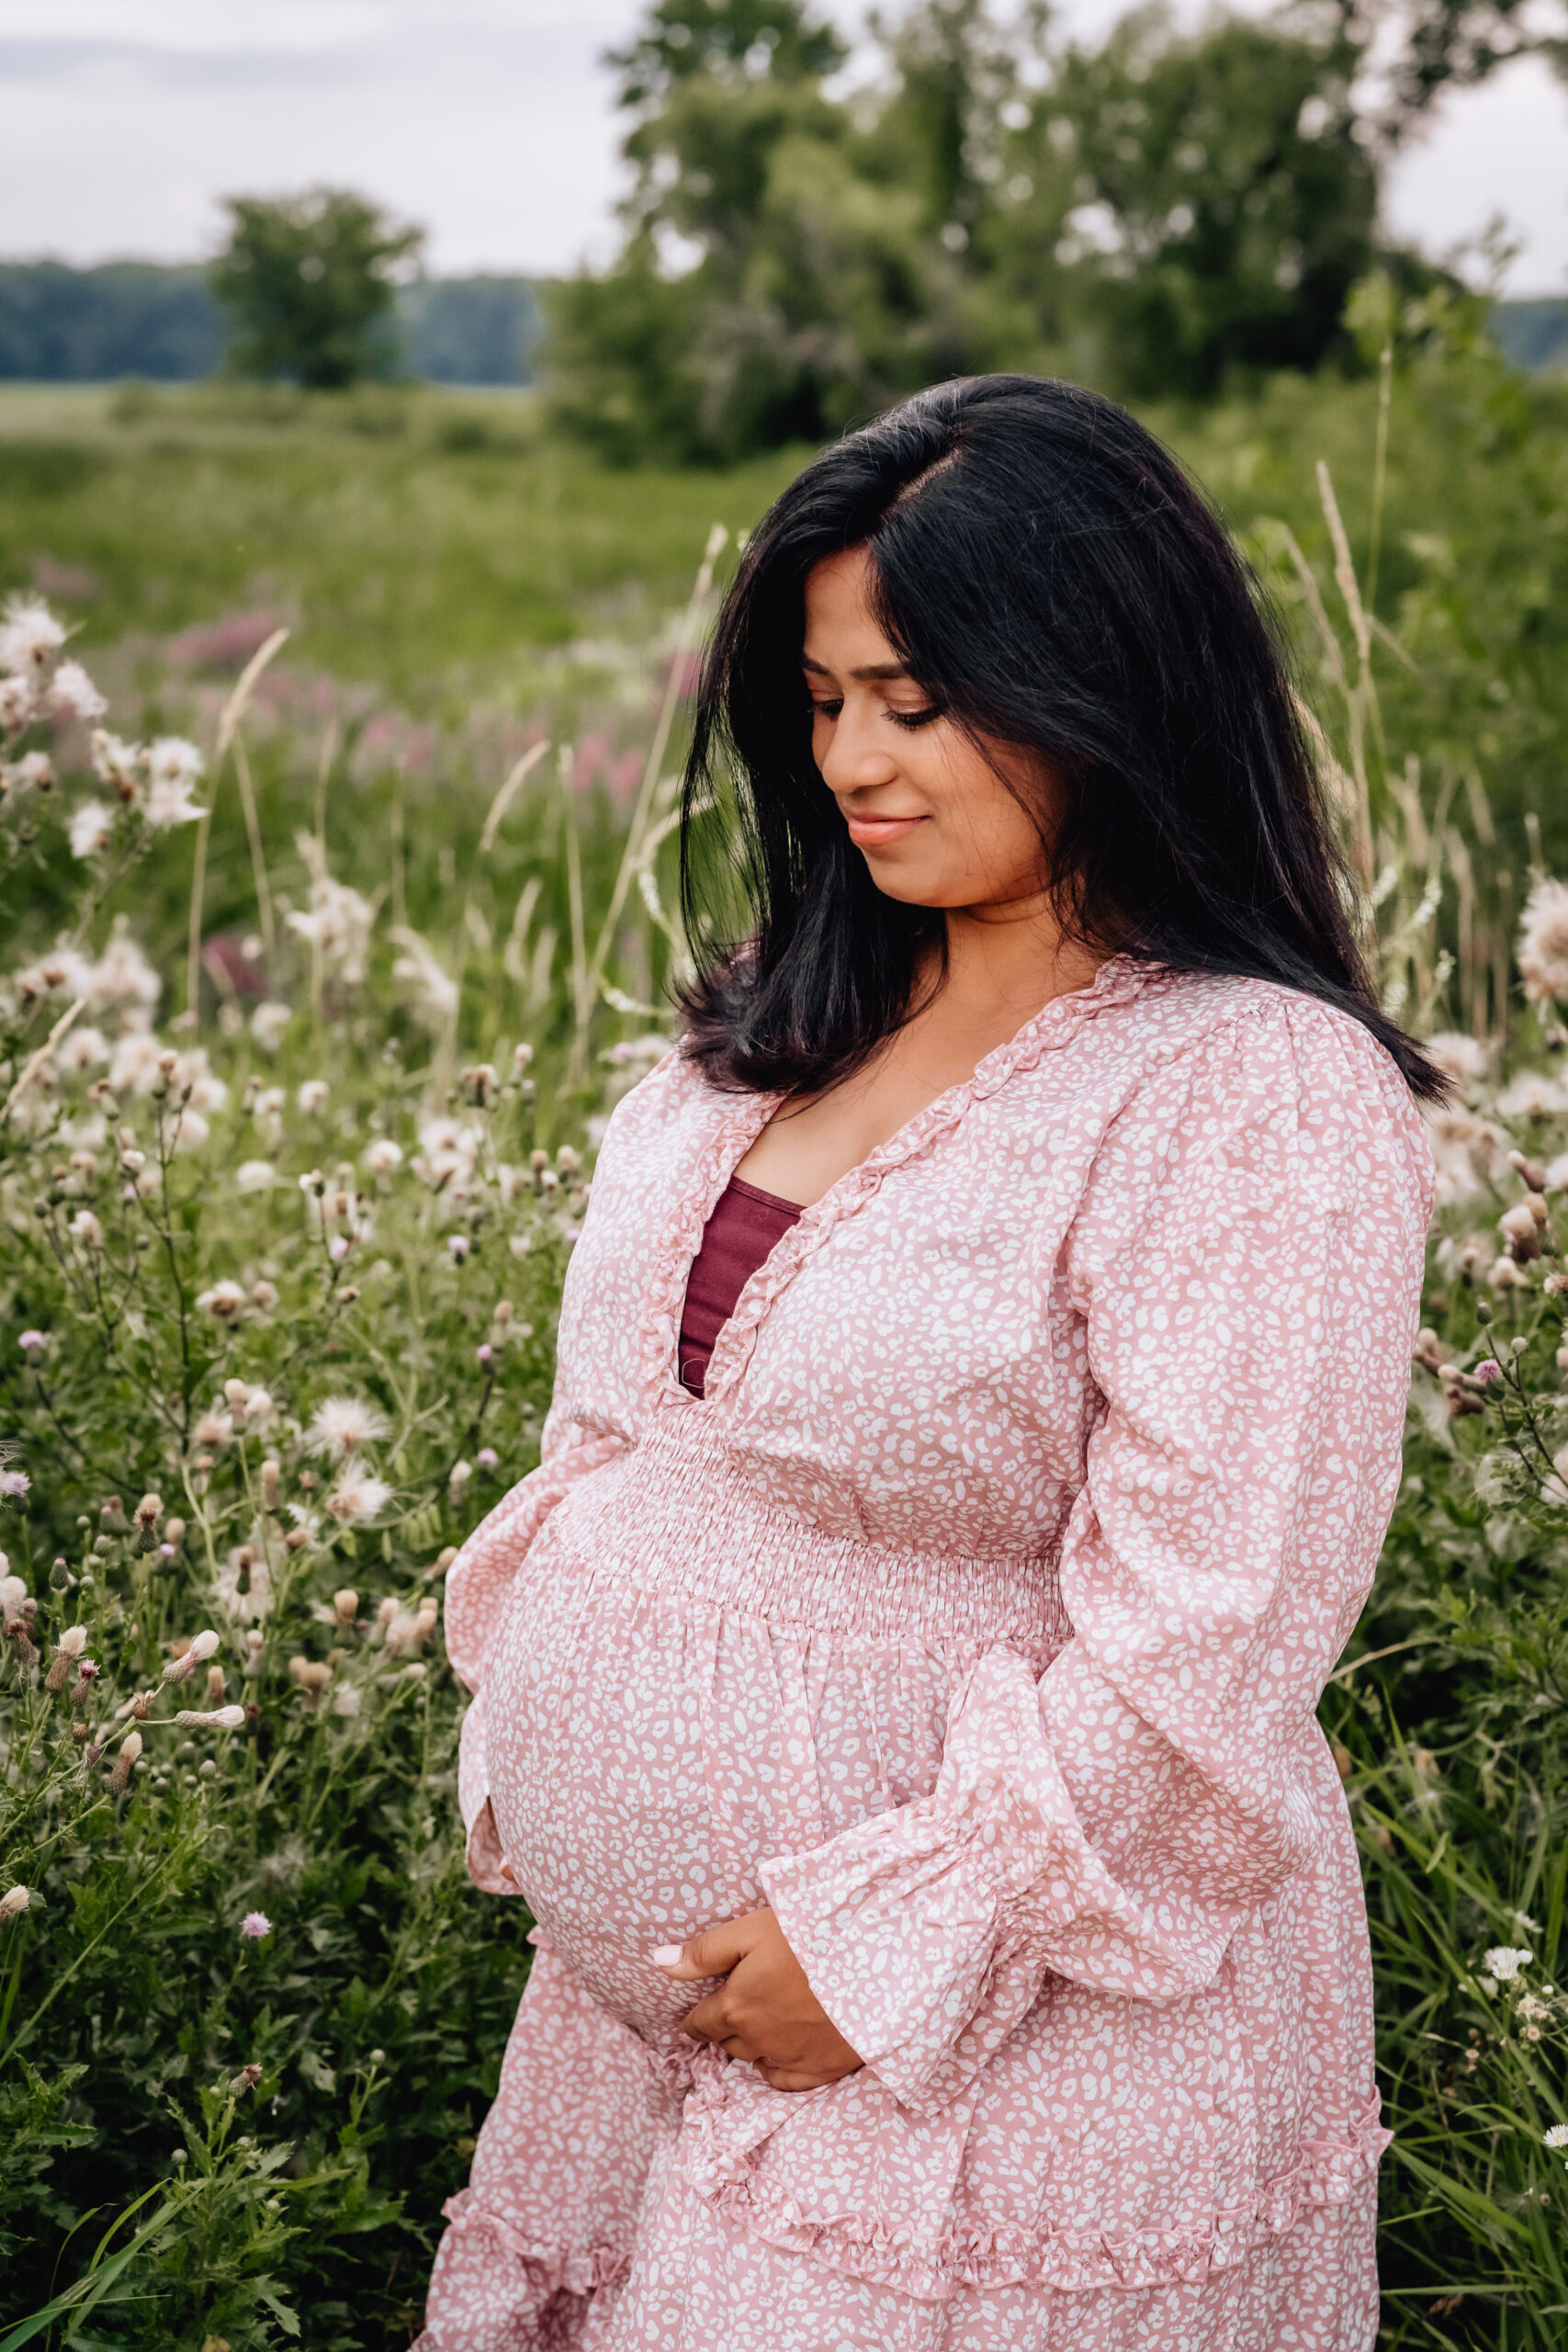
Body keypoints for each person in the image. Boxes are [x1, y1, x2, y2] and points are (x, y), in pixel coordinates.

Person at [417, 374, 1438, 2352]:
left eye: (913, 697)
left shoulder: (1242, 1087)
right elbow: (630, 1432)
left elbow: (1211, 1630)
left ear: (1100, 688)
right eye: (821, 700)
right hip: (649, 2028)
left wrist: (888, 1936)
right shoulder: (777, 1019)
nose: (854, 761)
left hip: (994, 2037)